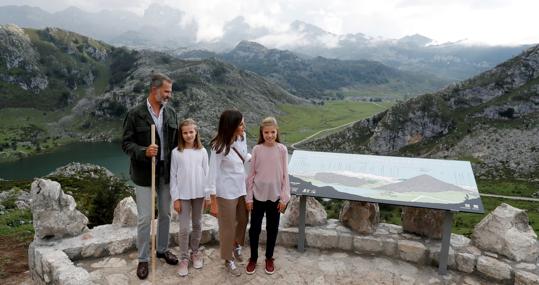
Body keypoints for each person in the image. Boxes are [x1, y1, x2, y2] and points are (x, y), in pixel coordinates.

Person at [122, 73, 179, 280]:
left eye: (170, 92)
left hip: (165, 172)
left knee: (165, 214)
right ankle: (143, 258)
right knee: (146, 218)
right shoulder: (134, 114)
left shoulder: (171, 113)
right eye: (166, 91)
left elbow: (175, 145)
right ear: (154, 90)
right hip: (144, 173)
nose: (169, 95)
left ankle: (162, 250)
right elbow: (126, 144)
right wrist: (144, 151)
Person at [245, 117, 290, 275]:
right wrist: (249, 198)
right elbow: (250, 176)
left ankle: (269, 257)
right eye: (266, 132)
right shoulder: (257, 149)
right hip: (257, 197)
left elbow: (285, 175)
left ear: (277, 132)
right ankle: (253, 258)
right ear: (261, 133)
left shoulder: (282, 150)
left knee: (273, 229)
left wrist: (284, 198)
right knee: (254, 229)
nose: (269, 135)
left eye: (272, 132)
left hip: (275, 197)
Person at [207, 110, 249, 277]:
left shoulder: (241, 137)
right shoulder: (218, 146)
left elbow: (244, 156)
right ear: (231, 126)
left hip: (241, 188)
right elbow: (213, 174)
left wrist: (259, 159)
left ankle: (236, 245)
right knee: (227, 227)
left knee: (244, 219)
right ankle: (228, 258)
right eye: (240, 124)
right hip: (225, 192)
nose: (243, 126)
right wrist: (213, 200)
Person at [170, 119, 210, 277]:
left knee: (197, 224)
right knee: (184, 228)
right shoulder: (176, 152)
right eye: (185, 132)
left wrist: (208, 195)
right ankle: (184, 258)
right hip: (183, 196)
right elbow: (173, 177)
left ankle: (195, 252)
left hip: (199, 194)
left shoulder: (202, 151)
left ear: (196, 132)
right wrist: (176, 198)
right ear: (181, 134)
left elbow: (207, 174)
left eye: (191, 132)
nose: (188, 135)